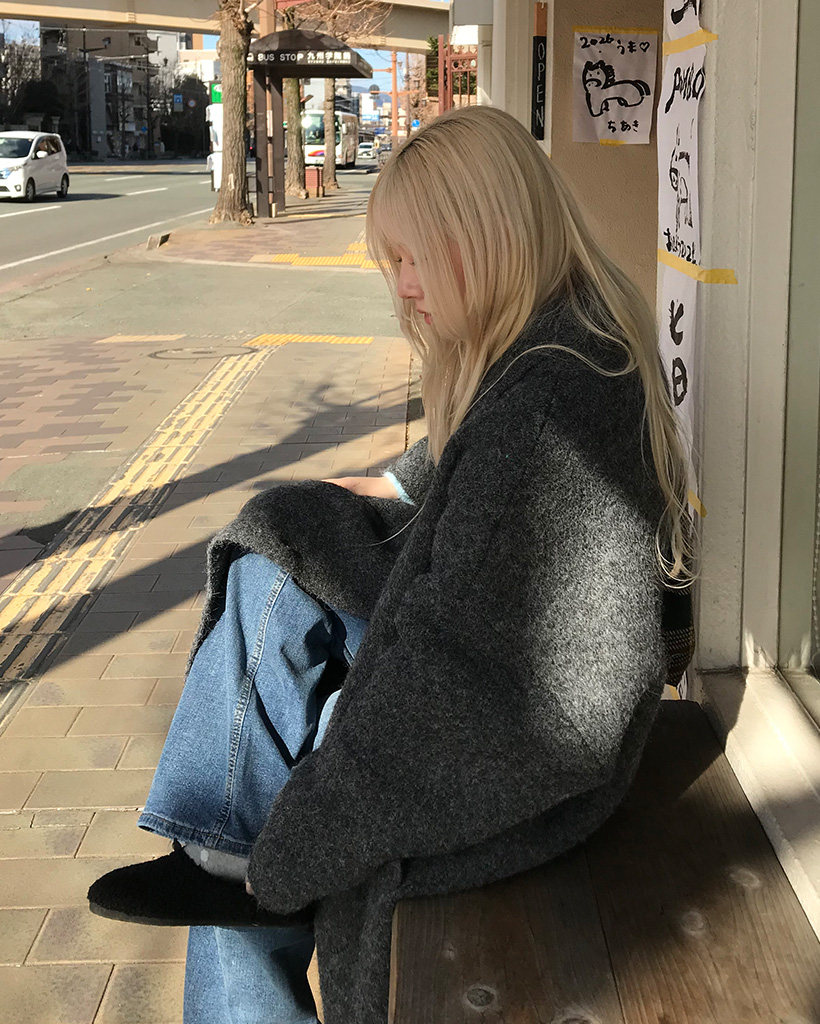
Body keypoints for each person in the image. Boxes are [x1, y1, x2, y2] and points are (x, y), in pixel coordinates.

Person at [88, 105, 694, 1024]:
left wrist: (296, 846)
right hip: (517, 699)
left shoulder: (553, 402)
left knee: (285, 632)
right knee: (283, 536)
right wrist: (391, 482)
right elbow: (475, 479)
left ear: (486, 236)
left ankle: (224, 852)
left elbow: (475, 683)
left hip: (532, 761)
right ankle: (222, 847)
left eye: (413, 259)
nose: (403, 290)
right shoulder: (565, 341)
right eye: (393, 263)